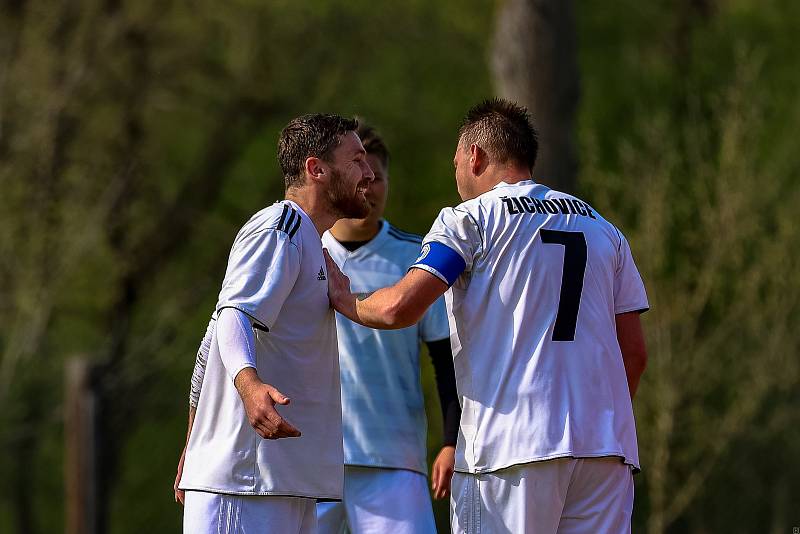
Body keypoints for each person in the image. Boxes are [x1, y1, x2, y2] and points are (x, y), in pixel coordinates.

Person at [325, 98, 649, 534]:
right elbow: (635, 353)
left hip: (510, 450)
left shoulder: (470, 220)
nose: (454, 172)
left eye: (456, 161)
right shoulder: (603, 228)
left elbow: (401, 307)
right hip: (606, 454)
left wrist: (346, 300)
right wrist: (599, 421)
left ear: (475, 157)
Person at [175, 113, 374, 534]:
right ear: (316, 169)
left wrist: (195, 441)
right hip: (244, 483)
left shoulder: (310, 243)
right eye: (356, 160)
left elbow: (213, 337)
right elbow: (233, 317)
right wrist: (249, 388)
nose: (369, 173)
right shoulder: (278, 228)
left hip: (279, 486)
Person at [317, 122, 461, 533]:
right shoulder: (300, 248)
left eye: (377, 177)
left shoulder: (418, 255)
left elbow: (445, 358)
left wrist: (451, 440)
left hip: (393, 458)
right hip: (311, 458)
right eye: (359, 175)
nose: (369, 186)